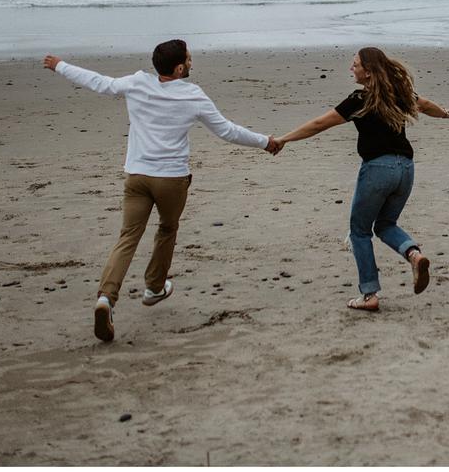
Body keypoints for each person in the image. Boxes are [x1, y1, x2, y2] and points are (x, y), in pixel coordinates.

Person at [43, 40, 279, 342]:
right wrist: (265, 142)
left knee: (128, 237)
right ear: (180, 68)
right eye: (189, 59)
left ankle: (106, 298)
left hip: (138, 176)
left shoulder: (138, 83)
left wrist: (60, 65)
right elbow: (226, 131)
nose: (192, 62)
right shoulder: (193, 95)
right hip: (171, 180)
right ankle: (154, 287)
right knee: (167, 228)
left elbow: (99, 83)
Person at [275, 46, 449, 312]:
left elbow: (318, 124)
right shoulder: (400, 94)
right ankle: (414, 255)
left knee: (359, 231)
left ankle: (369, 294)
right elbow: (427, 105)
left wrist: (283, 139)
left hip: (377, 171)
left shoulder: (359, 100)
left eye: (355, 65)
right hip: (406, 169)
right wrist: (447, 113)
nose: (352, 69)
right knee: (385, 225)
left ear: (369, 71)